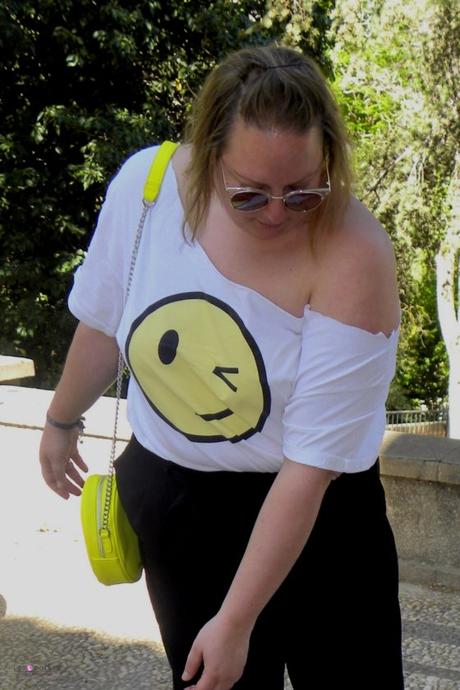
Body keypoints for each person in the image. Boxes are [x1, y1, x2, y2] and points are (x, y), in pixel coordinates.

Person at [39, 44, 403, 689]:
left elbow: (311, 467)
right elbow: (103, 324)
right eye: (249, 193)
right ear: (208, 155)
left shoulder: (354, 251)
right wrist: (62, 418)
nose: (274, 213)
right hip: (179, 508)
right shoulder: (147, 190)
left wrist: (235, 623)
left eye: (302, 193)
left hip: (318, 518)